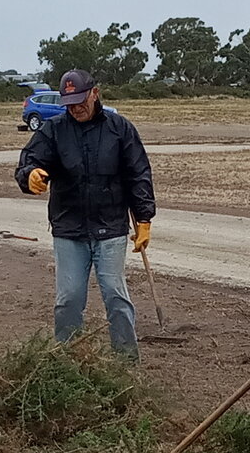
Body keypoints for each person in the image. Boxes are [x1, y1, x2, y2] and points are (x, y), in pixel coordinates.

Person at [15, 68, 154, 357]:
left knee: (116, 296)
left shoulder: (120, 128)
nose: (76, 107)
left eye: (80, 99)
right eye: (69, 102)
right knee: (68, 300)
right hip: (69, 230)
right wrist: (30, 175)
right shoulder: (53, 131)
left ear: (94, 93)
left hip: (111, 229)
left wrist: (144, 219)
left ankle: (126, 363)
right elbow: (29, 161)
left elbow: (138, 173)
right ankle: (67, 363)